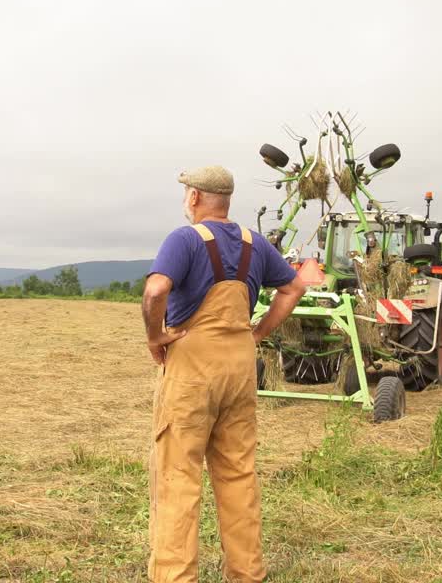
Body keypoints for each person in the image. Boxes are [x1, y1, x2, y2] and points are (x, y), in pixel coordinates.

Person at [141, 165, 307, 583]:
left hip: (192, 368)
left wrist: (155, 337)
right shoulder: (255, 242)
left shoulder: (184, 239)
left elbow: (156, 289)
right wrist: (260, 331)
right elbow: (293, 288)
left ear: (195, 197)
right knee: (238, 474)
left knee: (179, 475)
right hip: (239, 367)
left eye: (186, 194)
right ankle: (247, 574)